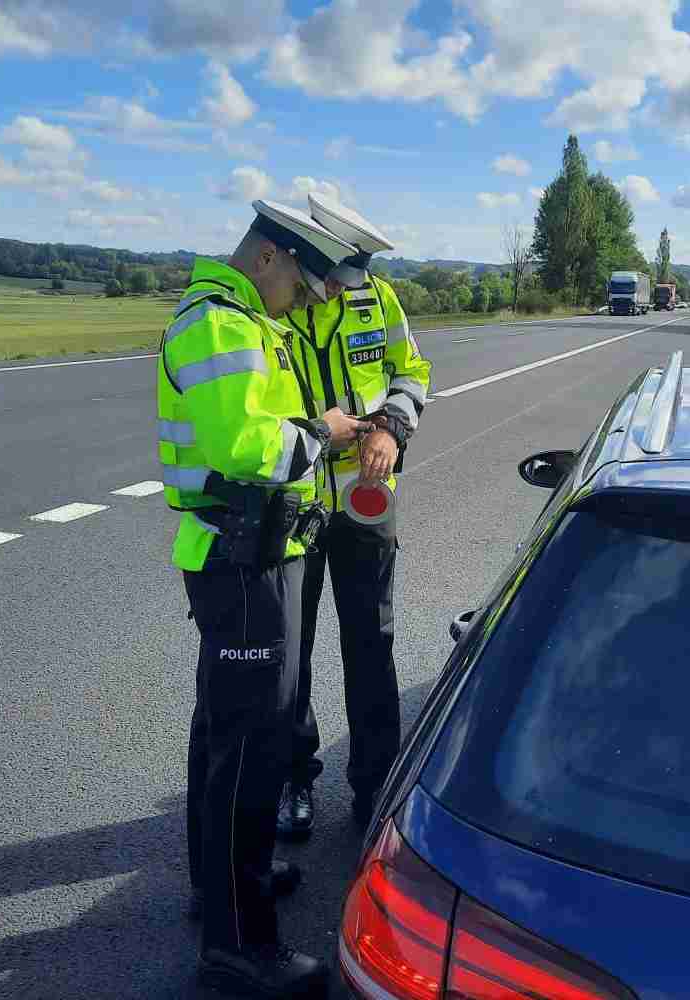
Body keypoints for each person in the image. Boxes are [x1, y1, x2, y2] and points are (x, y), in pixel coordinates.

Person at [164, 199, 372, 997]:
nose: (309, 301)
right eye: (305, 283)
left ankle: (220, 888)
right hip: (242, 560)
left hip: (254, 556)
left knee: (229, 734)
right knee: (248, 752)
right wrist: (322, 433)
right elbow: (245, 445)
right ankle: (240, 946)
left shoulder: (250, 320)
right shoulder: (220, 323)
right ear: (269, 258)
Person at [276, 194, 432, 839]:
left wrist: (393, 425)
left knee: (372, 641)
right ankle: (293, 777)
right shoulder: (276, 309)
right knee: (292, 649)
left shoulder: (378, 299)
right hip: (294, 503)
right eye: (339, 274)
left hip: (367, 501)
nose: (346, 287)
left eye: (356, 275)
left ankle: (375, 786)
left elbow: (412, 370)